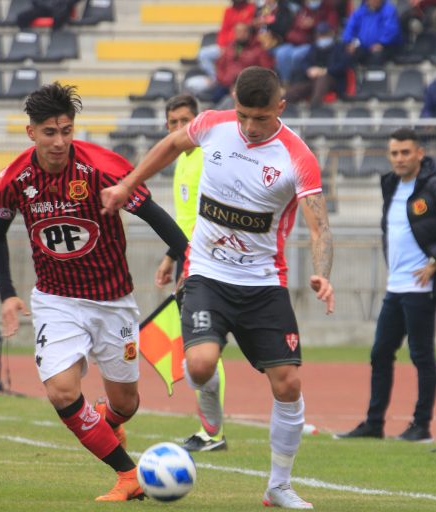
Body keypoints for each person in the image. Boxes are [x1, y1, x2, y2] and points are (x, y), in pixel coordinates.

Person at [101, 66, 335, 510]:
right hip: (207, 273)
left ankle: (278, 487)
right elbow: (171, 144)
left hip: (264, 283)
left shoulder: (297, 156)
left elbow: (319, 227)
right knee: (202, 364)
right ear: (234, 104)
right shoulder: (213, 124)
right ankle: (210, 418)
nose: (249, 127)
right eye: (243, 115)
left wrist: (323, 272)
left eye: (260, 118)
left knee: (287, 384)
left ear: (280, 108)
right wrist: (128, 183)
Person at [0, 83, 188, 501]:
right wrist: (7, 293)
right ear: (31, 133)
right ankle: (129, 476)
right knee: (61, 390)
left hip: (113, 301)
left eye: (66, 130)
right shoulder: (14, 179)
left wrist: (183, 258)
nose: (59, 141)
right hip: (55, 300)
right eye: (49, 132)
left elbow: (156, 216)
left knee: (126, 403)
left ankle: (108, 421)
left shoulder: (104, 168)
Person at [335, 128, 436, 442]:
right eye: (394, 153)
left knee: (421, 355)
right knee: (380, 353)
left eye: (405, 153)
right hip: (396, 285)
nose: (399, 159)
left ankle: (421, 425)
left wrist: (435, 260)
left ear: (419, 154)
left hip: (421, 287)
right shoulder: (390, 184)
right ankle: (374, 424)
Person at [154, 94, 229, 452]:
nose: (181, 129)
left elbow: (209, 217)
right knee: (201, 345)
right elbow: (185, 220)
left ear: (198, 122)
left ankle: (213, 433)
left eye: (187, 121)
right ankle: (210, 430)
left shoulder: (204, 158)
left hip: (208, 261)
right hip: (191, 258)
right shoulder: (181, 161)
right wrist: (172, 257)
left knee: (204, 344)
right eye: (174, 123)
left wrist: (190, 263)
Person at [283, 21, 350, 107]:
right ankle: (283, 104)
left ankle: (315, 105)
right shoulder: (314, 47)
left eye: (325, 35)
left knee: (322, 79)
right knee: (296, 90)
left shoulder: (340, 47)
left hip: (333, 79)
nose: (322, 38)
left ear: (331, 34)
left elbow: (343, 65)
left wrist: (325, 71)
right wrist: (309, 69)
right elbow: (305, 62)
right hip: (314, 80)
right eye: (320, 35)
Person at [341, 0, 403, 68]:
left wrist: (382, 43)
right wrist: (351, 42)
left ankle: (373, 77)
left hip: (386, 46)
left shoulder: (388, 10)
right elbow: (350, 28)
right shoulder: (360, 12)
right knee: (344, 52)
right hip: (363, 45)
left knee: (376, 56)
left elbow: (392, 30)